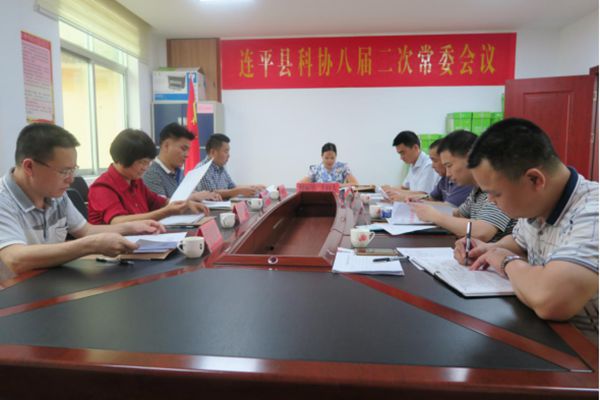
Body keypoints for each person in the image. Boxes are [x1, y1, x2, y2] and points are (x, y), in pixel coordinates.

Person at [454, 118, 598, 332]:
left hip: (586, 344)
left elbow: (551, 301)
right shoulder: (537, 202)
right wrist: (487, 250)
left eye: (496, 194)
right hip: (546, 333)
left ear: (534, 180)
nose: (490, 201)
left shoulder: (592, 213)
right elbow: (519, 242)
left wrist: (505, 261)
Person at [0, 123, 164, 281]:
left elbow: (85, 231)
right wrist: (90, 245)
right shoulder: (4, 199)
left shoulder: (55, 195)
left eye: (73, 170)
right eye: (64, 171)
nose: (70, 179)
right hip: (13, 292)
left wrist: (131, 228)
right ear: (29, 167)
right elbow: (15, 259)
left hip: (49, 282)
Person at [409, 130, 516, 242]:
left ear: (470, 158)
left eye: (449, 166)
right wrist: (423, 208)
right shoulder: (476, 189)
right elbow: (459, 214)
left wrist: (435, 216)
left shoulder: (497, 186)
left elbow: (482, 232)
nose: (448, 174)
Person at [88, 129, 208, 225]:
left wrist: (184, 205)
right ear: (122, 159)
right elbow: (118, 221)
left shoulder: (136, 181)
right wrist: (166, 212)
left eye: (148, 162)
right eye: (142, 162)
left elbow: (159, 202)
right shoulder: (102, 187)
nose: (145, 168)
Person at [142, 123, 221, 201]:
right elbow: (161, 205)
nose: (187, 155)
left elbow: (185, 193)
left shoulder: (178, 172)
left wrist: (206, 195)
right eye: (183, 149)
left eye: (188, 150)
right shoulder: (151, 173)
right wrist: (194, 197)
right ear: (166, 146)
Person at [405, 138, 472, 207]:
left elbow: (449, 207)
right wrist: (417, 199)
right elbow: (431, 197)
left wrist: (419, 203)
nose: (432, 166)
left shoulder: (463, 180)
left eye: (435, 161)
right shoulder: (444, 179)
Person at [196, 133, 265, 199]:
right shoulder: (202, 169)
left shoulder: (220, 167)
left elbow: (232, 187)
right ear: (213, 152)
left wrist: (253, 187)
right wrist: (239, 191)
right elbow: (211, 193)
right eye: (226, 151)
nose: (228, 155)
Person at [383, 130, 438, 201]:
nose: (401, 158)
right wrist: (388, 189)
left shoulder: (429, 165)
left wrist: (393, 190)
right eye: (400, 154)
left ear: (415, 148)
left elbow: (423, 194)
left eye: (403, 153)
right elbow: (404, 187)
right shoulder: (413, 163)